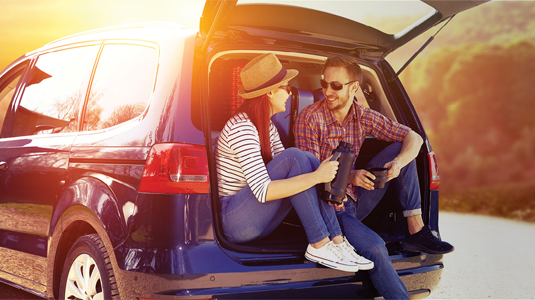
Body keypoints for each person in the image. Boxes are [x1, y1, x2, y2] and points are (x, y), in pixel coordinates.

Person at [293, 55, 454, 299]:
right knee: (377, 248)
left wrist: (398, 164)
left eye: (336, 86)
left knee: (401, 152)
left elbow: (415, 138)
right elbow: (312, 176)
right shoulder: (309, 118)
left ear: (354, 87)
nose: (327, 91)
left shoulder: (363, 116)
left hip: (358, 198)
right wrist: (352, 176)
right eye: (324, 83)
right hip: (330, 208)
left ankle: (416, 231)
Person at [215, 53, 374, 273]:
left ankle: (337, 241)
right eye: (287, 88)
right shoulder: (242, 128)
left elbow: (294, 171)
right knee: (298, 157)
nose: (290, 93)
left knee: (306, 159)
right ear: (270, 92)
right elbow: (263, 191)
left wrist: (316, 175)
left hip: (256, 219)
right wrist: (318, 177)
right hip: (235, 222)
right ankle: (319, 243)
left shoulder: (266, 127)